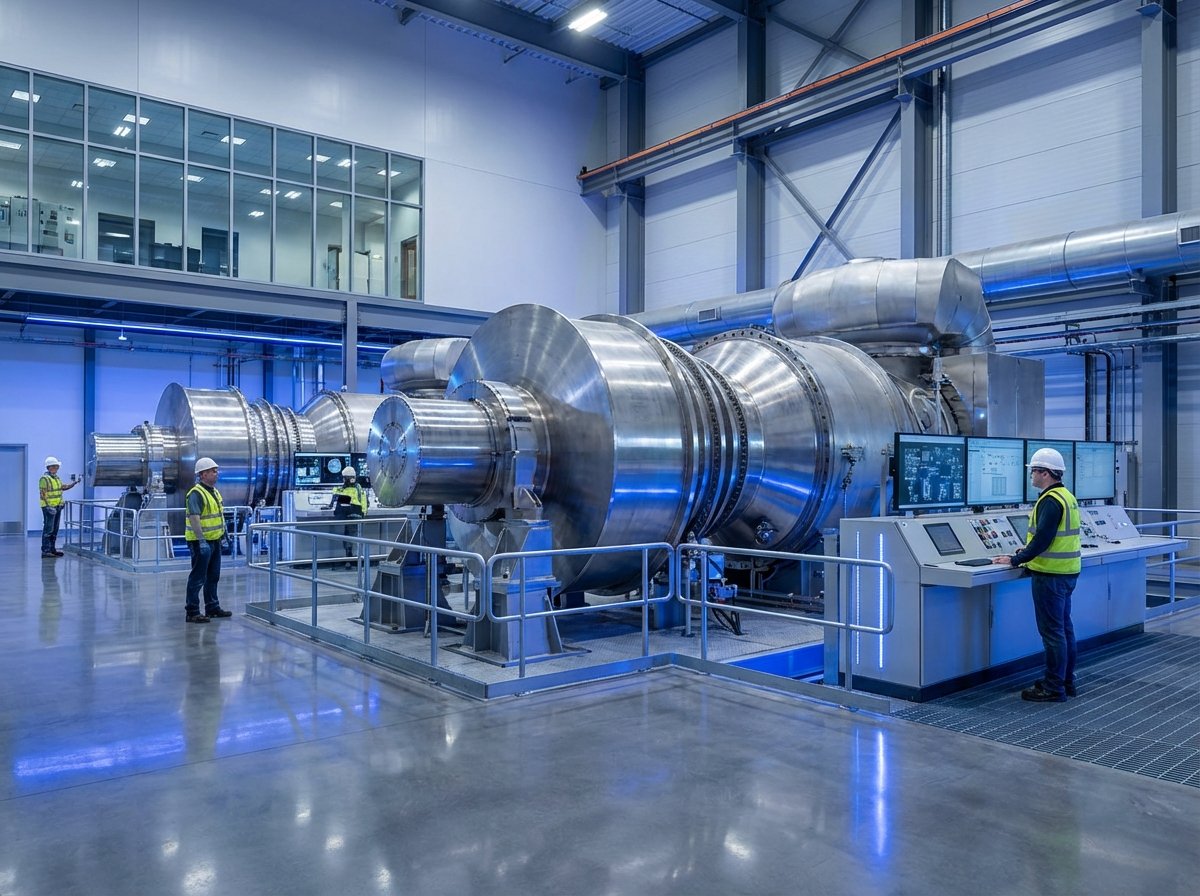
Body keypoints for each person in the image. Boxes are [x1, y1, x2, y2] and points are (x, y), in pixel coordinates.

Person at [992, 447, 1081, 702]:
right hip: (1066, 573)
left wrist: (1016, 559)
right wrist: (1027, 550)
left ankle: (1053, 688)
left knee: (1053, 633)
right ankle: (1066, 681)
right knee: (1064, 629)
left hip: (1050, 576)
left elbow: (1043, 538)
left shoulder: (1050, 501)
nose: (1031, 475)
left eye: (1034, 471)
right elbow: (1051, 538)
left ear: (1045, 473)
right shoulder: (1066, 496)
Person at [184, 457, 233, 623]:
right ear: (203, 474)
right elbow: (194, 518)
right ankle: (192, 611)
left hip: (215, 540)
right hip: (201, 543)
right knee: (198, 578)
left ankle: (212, 607)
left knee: (213, 576)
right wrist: (201, 541)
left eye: (216, 470)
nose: (216, 473)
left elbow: (218, 515)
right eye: (213, 471)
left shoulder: (214, 491)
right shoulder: (196, 493)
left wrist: (224, 534)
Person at [39, 456, 79, 558]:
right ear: (50, 467)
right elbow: (43, 494)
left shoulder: (56, 478)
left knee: (55, 529)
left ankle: (52, 549)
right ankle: (46, 550)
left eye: (57, 466)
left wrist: (73, 484)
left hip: (57, 507)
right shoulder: (44, 479)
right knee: (48, 529)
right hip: (49, 508)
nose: (57, 468)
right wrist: (48, 506)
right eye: (55, 466)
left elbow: (62, 487)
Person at [329, 465, 368, 569]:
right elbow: (364, 503)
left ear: (345, 478)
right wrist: (363, 514)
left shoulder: (349, 490)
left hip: (350, 515)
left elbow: (342, 499)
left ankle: (349, 559)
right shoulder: (359, 488)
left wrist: (335, 493)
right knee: (351, 536)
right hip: (358, 515)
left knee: (348, 537)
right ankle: (350, 558)